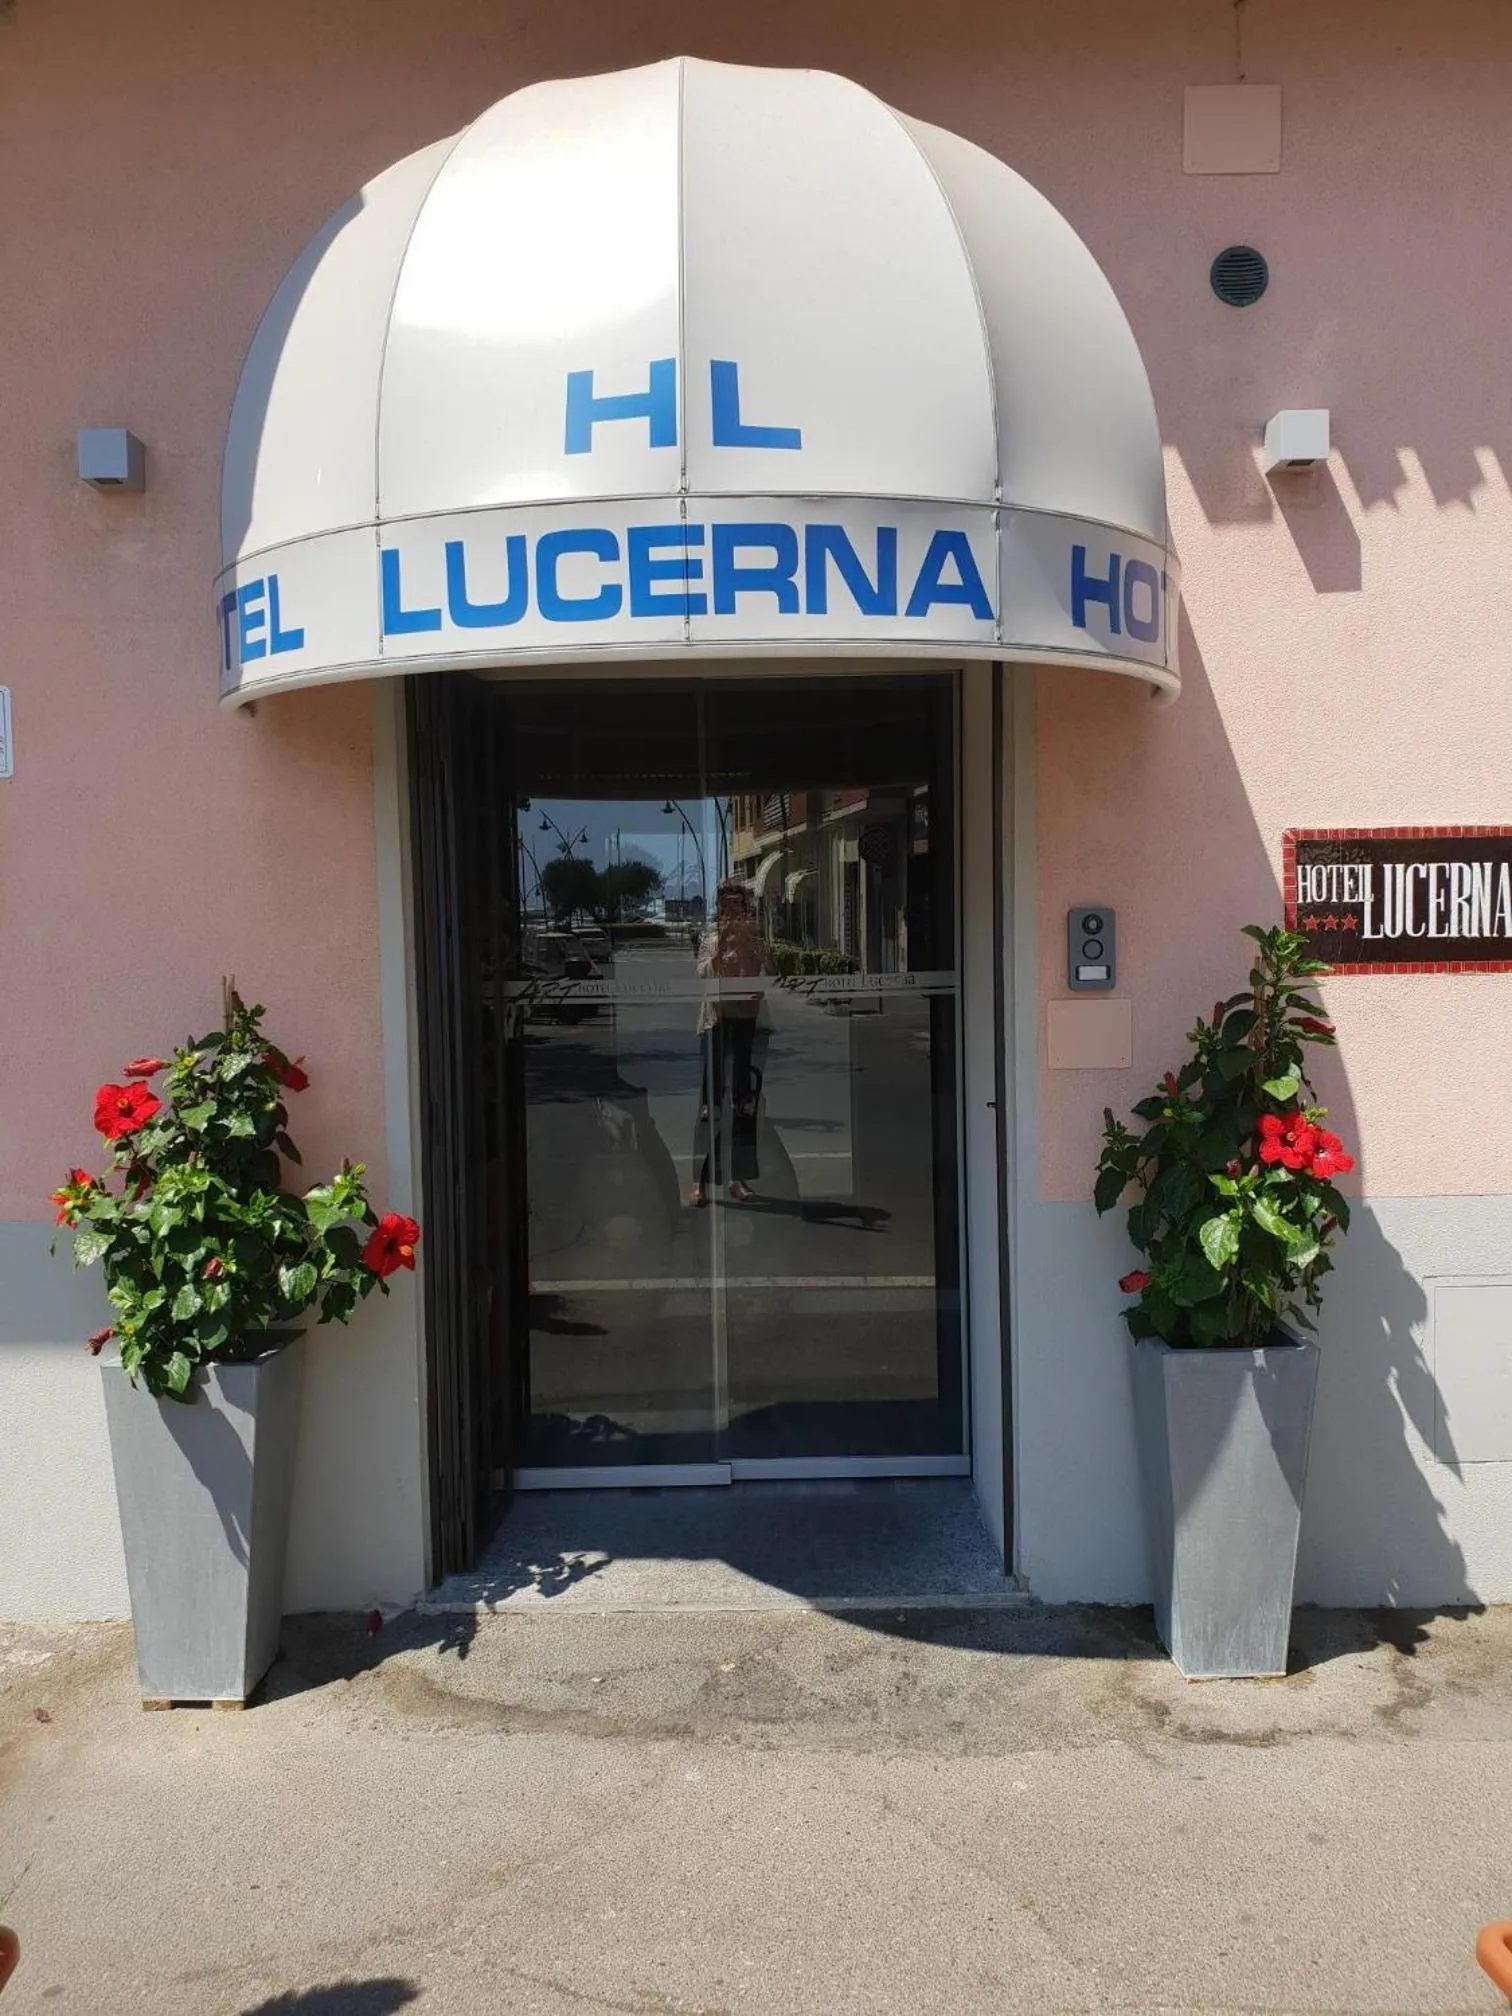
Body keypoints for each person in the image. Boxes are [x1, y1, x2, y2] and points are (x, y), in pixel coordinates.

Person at [690, 879, 763, 1207]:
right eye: (726, 906)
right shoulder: (709, 940)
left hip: (745, 1023)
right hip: (716, 1023)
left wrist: (745, 944)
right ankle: (699, 1181)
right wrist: (720, 949)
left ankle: (738, 1177)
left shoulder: (753, 941)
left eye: (737, 906)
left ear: (745, 910)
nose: (731, 912)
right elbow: (703, 974)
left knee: (743, 1104)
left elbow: (759, 977)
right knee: (711, 1106)